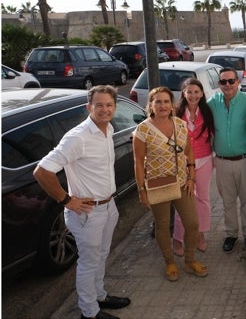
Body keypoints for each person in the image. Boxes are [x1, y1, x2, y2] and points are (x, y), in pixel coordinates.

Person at [34, 85, 131, 319]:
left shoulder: (106, 129)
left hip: (108, 206)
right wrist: (66, 200)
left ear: (114, 107)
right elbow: (42, 171)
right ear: (89, 107)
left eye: (109, 105)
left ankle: (99, 296)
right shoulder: (78, 137)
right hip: (88, 212)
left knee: (102, 255)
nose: (105, 109)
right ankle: (89, 313)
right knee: (89, 262)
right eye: (99, 105)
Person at [133, 87, 208, 282]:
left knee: (192, 223)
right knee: (163, 225)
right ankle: (170, 262)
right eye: (158, 102)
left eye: (166, 101)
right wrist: (142, 190)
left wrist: (191, 177)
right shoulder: (142, 130)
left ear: (172, 105)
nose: (162, 105)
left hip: (182, 182)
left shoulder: (181, 125)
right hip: (158, 184)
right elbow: (138, 163)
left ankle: (190, 261)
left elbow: (189, 151)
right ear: (151, 105)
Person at [208, 67, 246, 253]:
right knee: (227, 200)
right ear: (219, 84)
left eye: (231, 81)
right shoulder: (212, 102)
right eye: (223, 82)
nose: (227, 85)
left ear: (238, 82)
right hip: (221, 161)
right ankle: (231, 234)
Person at [172, 78, 215, 257]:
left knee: (202, 199)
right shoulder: (176, 112)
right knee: (183, 201)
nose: (193, 95)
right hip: (182, 163)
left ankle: (200, 234)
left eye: (196, 92)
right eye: (189, 92)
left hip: (204, 159)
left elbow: (212, 135)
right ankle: (178, 238)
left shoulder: (207, 111)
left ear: (202, 93)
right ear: (183, 93)